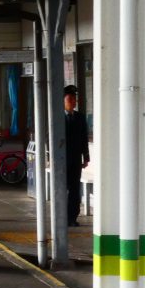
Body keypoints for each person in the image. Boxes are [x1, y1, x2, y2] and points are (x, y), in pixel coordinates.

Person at [63, 84, 90, 227]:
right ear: (63, 100)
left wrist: (86, 156)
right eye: (70, 99)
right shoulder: (56, 117)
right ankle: (62, 216)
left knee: (74, 189)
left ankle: (72, 217)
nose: (73, 102)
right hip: (61, 160)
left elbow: (84, 138)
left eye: (75, 99)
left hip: (75, 159)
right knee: (62, 189)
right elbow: (50, 138)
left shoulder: (79, 117)